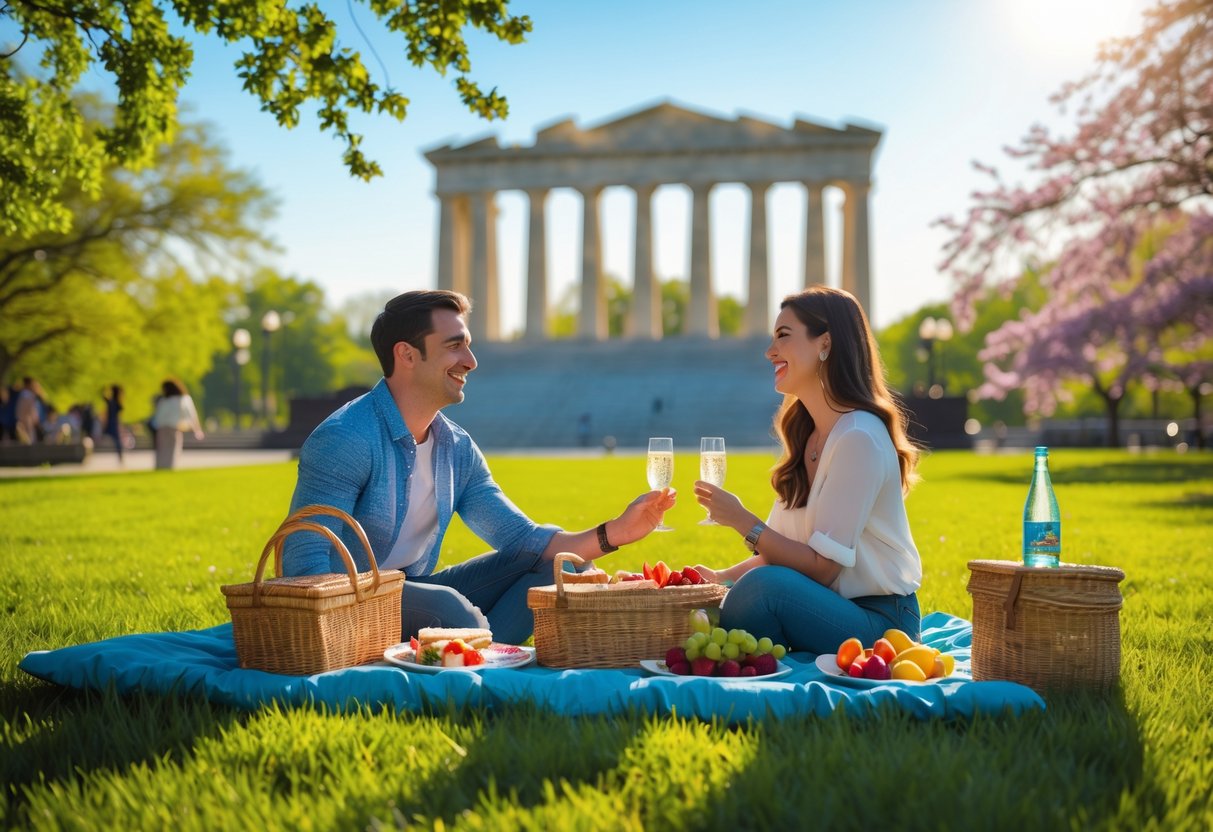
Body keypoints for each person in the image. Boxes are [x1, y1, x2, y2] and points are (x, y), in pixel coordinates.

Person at [282, 289, 676, 644]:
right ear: (406, 355)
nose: (470, 361)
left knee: (566, 568)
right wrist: (334, 635)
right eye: (455, 346)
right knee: (451, 611)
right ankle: (470, 652)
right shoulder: (346, 437)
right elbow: (304, 565)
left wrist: (617, 532)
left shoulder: (456, 448)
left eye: (467, 346)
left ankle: (462, 653)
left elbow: (524, 542)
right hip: (346, 604)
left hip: (412, 590)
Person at [691, 286, 923, 654]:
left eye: (783, 336)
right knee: (740, 594)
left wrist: (744, 522)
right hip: (825, 607)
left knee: (760, 591)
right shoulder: (809, 434)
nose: (770, 352)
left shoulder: (859, 436)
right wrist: (717, 580)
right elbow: (779, 552)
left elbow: (822, 568)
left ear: (824, 344)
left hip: (881, 623)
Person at [152, 379, 204, 469]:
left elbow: (158, 417)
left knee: (162, 451)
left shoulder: (164, 401)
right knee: (172, 451)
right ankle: (169, 468)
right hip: (173, 428)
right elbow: (192, 415)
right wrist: (197, 429)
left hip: (161, 429)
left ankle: (161, 468)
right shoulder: (183, 399)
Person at [103, 385, 125, 464]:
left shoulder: (112, 402)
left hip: (111, 424)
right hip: (113, 424)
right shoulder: (116, 402)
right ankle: (120, 457)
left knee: (117, 442)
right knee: (117, 442)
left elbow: (103, 396)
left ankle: (120, 457)